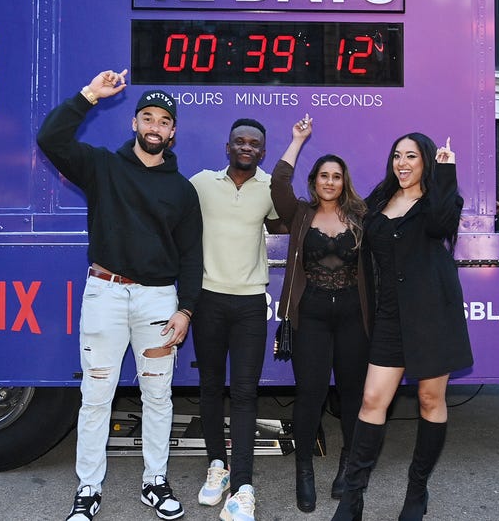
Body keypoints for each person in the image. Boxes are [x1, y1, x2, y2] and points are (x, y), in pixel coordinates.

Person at [37, 69, 202, 521]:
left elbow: (192, 257)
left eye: (163, 121)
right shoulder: (102, 167)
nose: (154, 126)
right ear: (134, 123)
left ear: (172, 132)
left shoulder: (182, 190)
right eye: (146, 117)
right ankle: (88, 490)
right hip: (105, 294)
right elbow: (50, 138)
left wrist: (186, 309)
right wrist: (89, 94)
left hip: (158, 301)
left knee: (158, 396)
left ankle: (155, 482)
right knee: (96, 396)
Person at [332, 133, 472, 521]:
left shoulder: (439, 202)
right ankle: (352, 498)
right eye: (397, 155)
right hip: (390, 316)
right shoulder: (379, 200)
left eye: (411, 156)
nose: (402, 162)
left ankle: (417, 491)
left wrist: (446, 172)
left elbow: (440, 225)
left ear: (426, 161)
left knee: (430, 400)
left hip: (432, 315)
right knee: (373, 400)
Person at [271, 115, 372, 514]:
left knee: (352, 395)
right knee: (309, 394)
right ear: (313, 182)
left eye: (336, 176)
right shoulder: (299, 215)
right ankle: (303, 470)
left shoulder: (361, 219)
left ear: (343, 182)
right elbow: (279, 183)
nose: (330, 182)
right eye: (323, 176)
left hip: (352, 316)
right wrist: (297, 140)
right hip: (309, 315)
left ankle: (347, 465)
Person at [189, 118, 281, 521]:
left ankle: (243, 485)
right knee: (210, 387)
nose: (246, 147)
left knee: (244, 393)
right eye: (239, 141)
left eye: (254, 144)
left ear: (262, 152)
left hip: (249, 306)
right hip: (207, 300)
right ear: (227, 147)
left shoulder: (269, 189)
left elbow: (288, 221)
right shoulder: (201, 183)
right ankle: (217, 467)